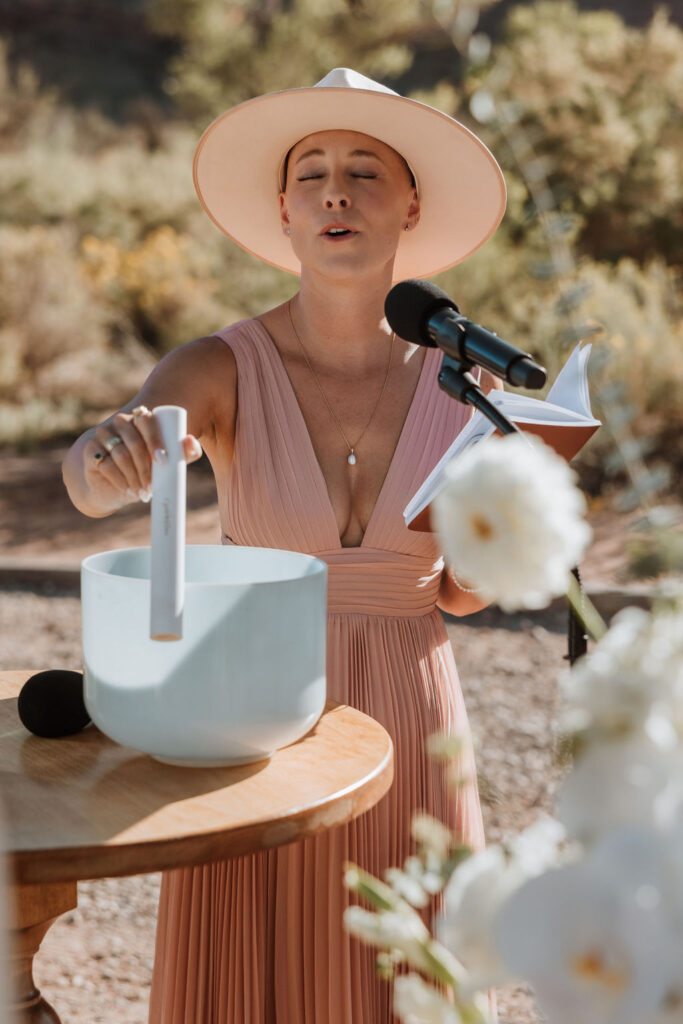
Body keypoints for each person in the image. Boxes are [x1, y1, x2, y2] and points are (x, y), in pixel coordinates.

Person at [62, 67, 506, 1023]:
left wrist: (515, 521)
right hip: (254, 729)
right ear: (284, 211)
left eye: (363, 171)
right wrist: (110, 460)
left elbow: (461, 595)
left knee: (410, 980)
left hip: (412, 725)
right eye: (311, 174)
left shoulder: (468, 385)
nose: (335, 191)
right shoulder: (217, 366)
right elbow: (98, 470)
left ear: (410, 203)